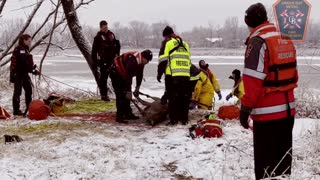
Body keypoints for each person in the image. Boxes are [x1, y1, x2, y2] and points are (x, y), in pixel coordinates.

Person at [240, 3, 298, 179]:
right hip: (288, 112)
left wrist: (244, 109)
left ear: (249, 21)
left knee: (266, 168)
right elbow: (293, 74)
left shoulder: (258, 42)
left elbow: (252, 81)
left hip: (267, 116)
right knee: (282, 165)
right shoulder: (284, 38)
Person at [157, 26, 191, 125]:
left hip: (172, 75)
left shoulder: (168, 43)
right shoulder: (185, 44)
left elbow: (163, 60)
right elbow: (189, 60)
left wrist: (159, 74)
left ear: (166, 36)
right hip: (185, 74)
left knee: (173, 98)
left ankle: (174, 119)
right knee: (184, 98)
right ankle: (184, 119)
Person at [110, 50, 153, 123]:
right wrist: (129, 91)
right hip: (115, 73)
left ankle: (128, 114)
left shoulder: (141, 62)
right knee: (121, 95)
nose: (147, 62)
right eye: (147, 60)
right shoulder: (132, 60)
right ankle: (120, 116)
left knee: (126, 95)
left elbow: (139, 75)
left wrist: (137, 88)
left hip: (124, 75)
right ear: (143, 57)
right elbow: (128, 77)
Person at [10, 34, 39, 116]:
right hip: (18, 74)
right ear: (24, 40)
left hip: (24, 73)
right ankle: (16, 111)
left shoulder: (25, 49)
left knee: (29, 90)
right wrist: (32, 70)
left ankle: (29, 108)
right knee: (17, 92)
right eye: (29, 41)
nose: (30, 43)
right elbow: (22, 64)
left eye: (31, 41)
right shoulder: (19, 50)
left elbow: (26, 64)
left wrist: (32, 69)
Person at [91, 20, 120, 101]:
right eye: (104, 27)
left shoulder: (112, 34)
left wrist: (118, 54)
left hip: (113, 60)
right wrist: (95, 62)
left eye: (106, 27)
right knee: (103, 79)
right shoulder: (97, 37)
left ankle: (118, 94)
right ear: (101, 27)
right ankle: (104, 96)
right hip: (103, 61)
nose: (106, 28)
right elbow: (94, 51)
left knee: (115, 78)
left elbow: (116, 46)